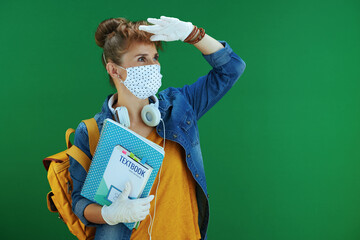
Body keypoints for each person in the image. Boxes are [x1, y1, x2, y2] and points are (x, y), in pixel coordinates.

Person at [69, 16, 246, 240]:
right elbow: (79, 203)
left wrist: (192, 34)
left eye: (155, 57)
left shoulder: (180, 106)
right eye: (142, 59)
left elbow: (232, 68)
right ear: (114, 70)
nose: (153, 66)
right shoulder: (92, 132)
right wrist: (109, 214)